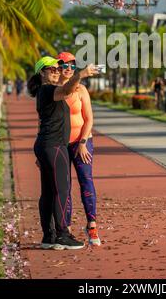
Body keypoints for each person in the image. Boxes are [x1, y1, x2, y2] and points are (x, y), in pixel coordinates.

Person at [27, 56, 98, 250]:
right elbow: (66, 91)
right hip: (55, 146)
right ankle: (62, 234)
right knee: (62, 190)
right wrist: (81, 74)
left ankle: (48, 236)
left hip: (46, 145)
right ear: (42, 72)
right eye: (52, 69)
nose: (57, 71)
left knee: (49, 192)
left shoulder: (44, 91)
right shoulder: (48, 90)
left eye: (58, 69)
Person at [57, 52, 101, 247]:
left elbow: (89, 119)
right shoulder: (54, 91)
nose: (68, 68)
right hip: (61, 145)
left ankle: (91, 224)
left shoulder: (82, 90)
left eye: (72, 65)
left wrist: (83, 142)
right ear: (57, 67)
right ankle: (65, 228)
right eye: (64, 65)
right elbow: (45, 122)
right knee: (63, 187)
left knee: (86, 182)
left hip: (82, 143)